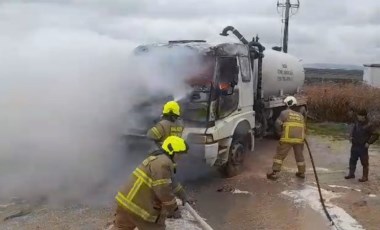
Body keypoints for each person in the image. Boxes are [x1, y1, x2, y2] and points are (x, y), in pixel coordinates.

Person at [113, 136, 192, 230]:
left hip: (125, 202)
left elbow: (172, 183)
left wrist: (183, 196)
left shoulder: (157, 159)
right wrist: (173, 209)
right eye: (180, 154)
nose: (181, 158)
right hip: (139, 208)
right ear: (172, 151)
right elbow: (163, 190)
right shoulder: (164, 163)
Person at [267, 96, 306, 180]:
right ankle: (301, 172)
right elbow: (303, 128)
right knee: (299, 156)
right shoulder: (300, 116)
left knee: (280, 155)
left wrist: (279, 133)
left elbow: (277, 124)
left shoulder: (284, 113)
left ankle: (274, 173)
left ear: (288, 104)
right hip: (300, 139)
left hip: (287, 138)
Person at [344, 109, 379, 182]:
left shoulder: (369, 125)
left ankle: (365, 177)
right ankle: (351, 174)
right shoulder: (357, 123)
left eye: (360, 116)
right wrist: (350, 137)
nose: (358, 117)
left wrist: (369, 142)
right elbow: (353, 131)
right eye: (358, 116)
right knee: (352, 160)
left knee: (364, 162)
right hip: (354, 145)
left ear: (364, 117)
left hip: (363, 146)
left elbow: (376, 135)